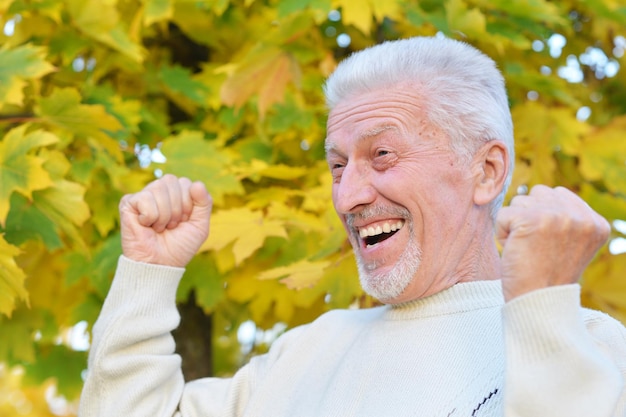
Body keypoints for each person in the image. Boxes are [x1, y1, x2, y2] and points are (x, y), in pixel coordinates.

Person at [79, 36, 626, 417]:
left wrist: (542, 307)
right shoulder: (303, 356)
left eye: (382, 155)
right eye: (337, 165)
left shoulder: (589, 345)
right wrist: (147, 277)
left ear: (486, 171)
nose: (348, 195)